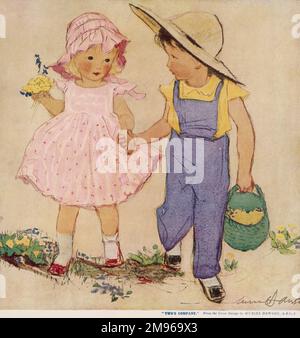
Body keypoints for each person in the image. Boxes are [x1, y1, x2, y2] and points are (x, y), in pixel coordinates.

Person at [130, 3, 255, 303]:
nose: (168, 64)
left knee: (210, 214)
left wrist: (245, 171)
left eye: (175, 57)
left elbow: (246, 130)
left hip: (213, 164)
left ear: (199, 61)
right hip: (180, 157)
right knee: (175, 206)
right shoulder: (174, 89)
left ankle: (207, 271)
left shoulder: (227, 90)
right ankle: (172, 243)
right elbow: (165, 124)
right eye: (169, 56)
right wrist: (140, 138)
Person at [16, 12, 158, 276]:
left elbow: (125, 113)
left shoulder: (111, 89)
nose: (98, 65)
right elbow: (61, 110)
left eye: (106, 59)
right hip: (73, 156)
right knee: (68, 204)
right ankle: (64, 252)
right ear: (74, 57)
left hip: (104, 154)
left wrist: (125, 125)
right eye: (90, 57)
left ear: (114, 61)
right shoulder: (70, 88)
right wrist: (45, 99)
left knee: (106, 203)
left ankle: (112, 249)